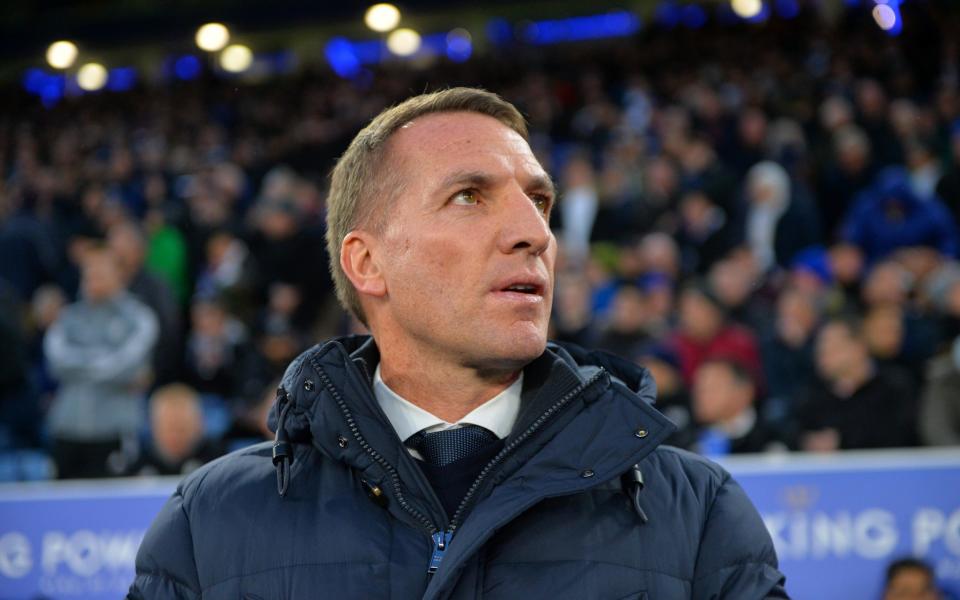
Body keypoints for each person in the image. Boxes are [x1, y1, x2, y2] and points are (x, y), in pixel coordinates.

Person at [129, 88, 787, 599]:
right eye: (470, 196)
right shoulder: (208, 523)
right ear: (367, 263)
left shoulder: (698, 513)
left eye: (540, 202)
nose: (534, 233)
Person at [44, 245, 158, 478]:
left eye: (100, 273)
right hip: (67, 428)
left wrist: (80, 367)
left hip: (114, 430)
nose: (93, 280)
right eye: (88, 273)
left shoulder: (139, 318)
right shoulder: (68, 316)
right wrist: (104, 360)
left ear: (119, 275)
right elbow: (56, 362)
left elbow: (128, 365)